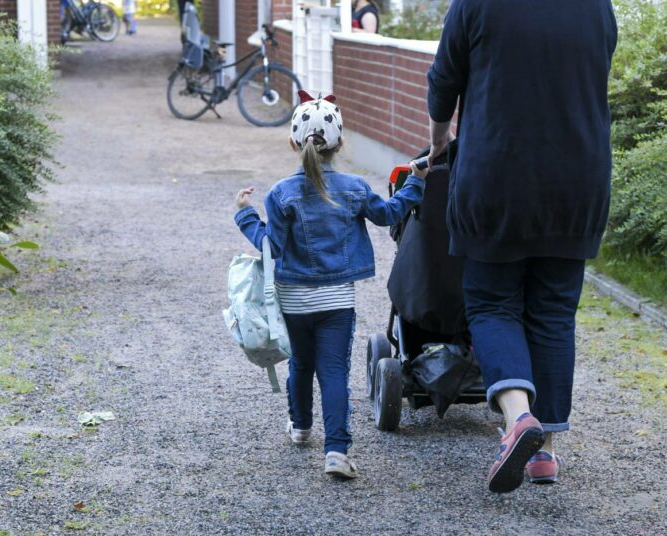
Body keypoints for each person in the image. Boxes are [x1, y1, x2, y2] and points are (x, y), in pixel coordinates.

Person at [426, 0, 617, 493]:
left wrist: (439, 137)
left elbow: (444, 78)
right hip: (578, 179)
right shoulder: (597, 6)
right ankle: (545, 454)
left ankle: (517, 419)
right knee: (554, 312)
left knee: (492, 302)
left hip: (498, 176)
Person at [234, 90, 426, 479]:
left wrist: (245, 216)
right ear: (340, 142)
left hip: (293, 299)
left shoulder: (281, 193)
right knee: (334, 372)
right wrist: (415, 183)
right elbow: (389, 214)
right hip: (337, 300)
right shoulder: (355, 187)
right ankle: (337, 451)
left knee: (301, 365)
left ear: (293, 142)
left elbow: (271, 248)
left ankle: (301, 427)